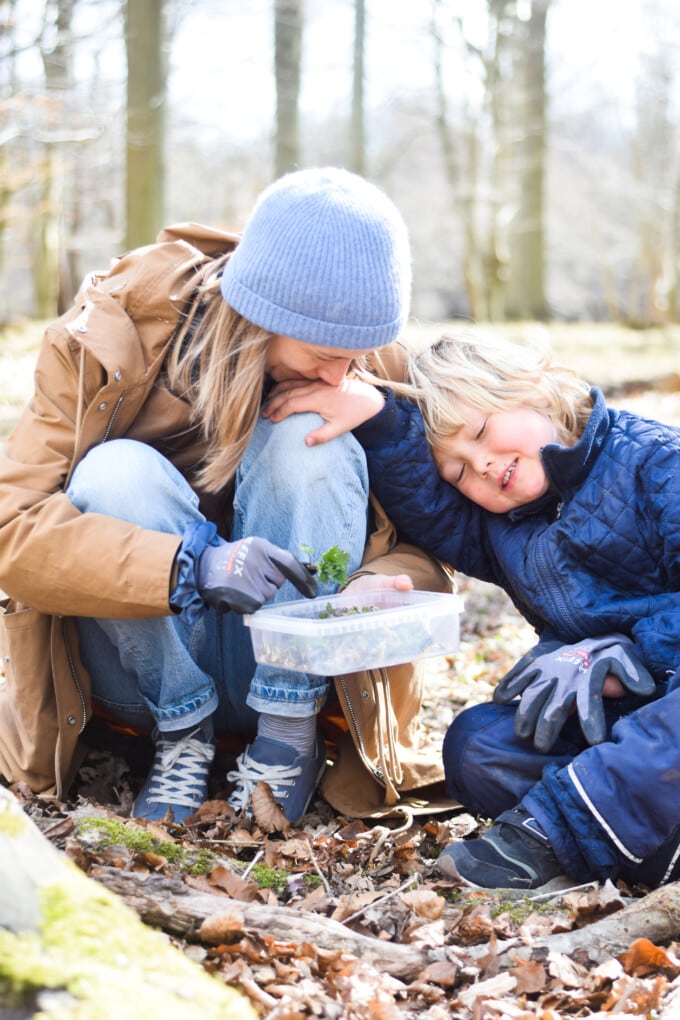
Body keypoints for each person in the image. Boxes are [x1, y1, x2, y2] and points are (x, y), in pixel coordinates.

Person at [0, 167, 453, 827]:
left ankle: (285, 742)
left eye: (358, 360)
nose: (341, 376)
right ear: (262, 315)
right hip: (143, 669)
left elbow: (432, 547)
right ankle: (183, 739)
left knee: (311, 434)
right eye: (328, 355)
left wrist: (376, 586)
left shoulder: (361, 365)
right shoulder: (104, 338)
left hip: (290, 663)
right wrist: (191, 564)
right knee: (113, 471)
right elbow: (12, 532)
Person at [262, 328, 680, 891]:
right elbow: (431, 508)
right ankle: (654, 846)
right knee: (478, 747)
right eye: (459, 470)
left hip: (666, 694)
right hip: (623, 715)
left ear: (533, 386)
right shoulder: (506, 525)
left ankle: (550, 835)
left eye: (481, 432)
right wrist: (381, 418)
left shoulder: (654, 462)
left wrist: (632, 655)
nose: (480, 465)